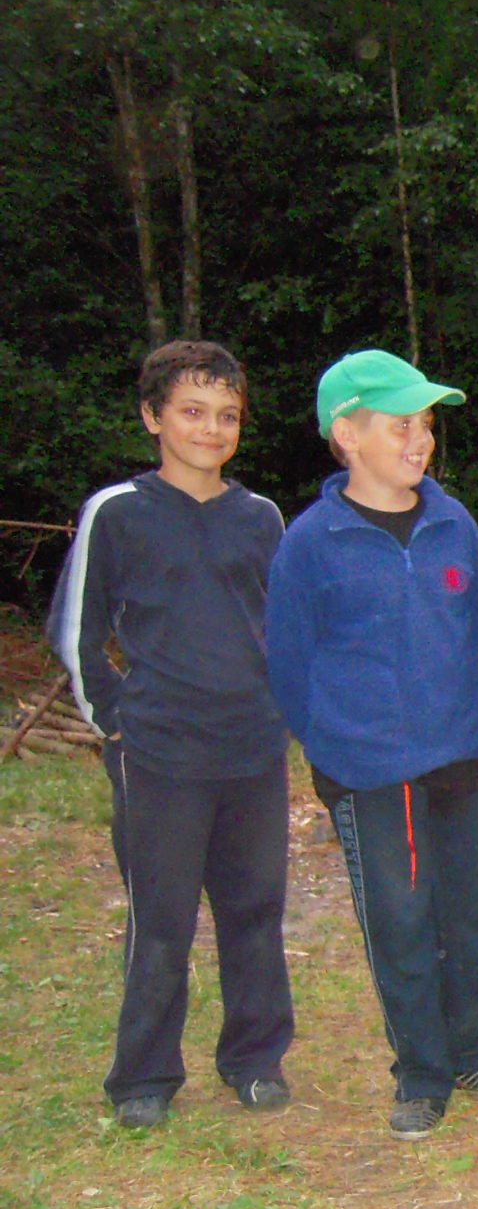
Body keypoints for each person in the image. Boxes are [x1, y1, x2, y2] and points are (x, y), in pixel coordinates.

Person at [266, 350, 478, 1140]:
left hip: (456, 756)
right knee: (402, 919)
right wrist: (333, 746)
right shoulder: (313, 542)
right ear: (348, 434)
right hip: (371, 771)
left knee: (475, 910)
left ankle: (463, 1045)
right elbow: (288, 662)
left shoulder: (452, 523)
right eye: (402, 424)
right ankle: (421, 1072)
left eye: (427, 424)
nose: (421, 439)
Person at [48, 341, 294, 1128]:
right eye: (192, 411)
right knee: (161, 920)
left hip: (252, 749)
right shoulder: (118, 512)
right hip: (160, 755)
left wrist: (283, 709)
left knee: (254, 911)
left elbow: (285, 630)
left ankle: (254, 1059)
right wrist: (118, 722)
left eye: (227, 415)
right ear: (153, 418)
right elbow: (75, 632)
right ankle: (144, 1077)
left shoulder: (260, 518)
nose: (211, 428)